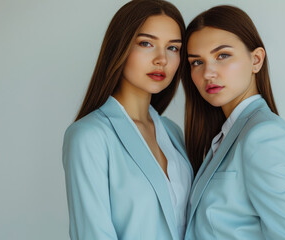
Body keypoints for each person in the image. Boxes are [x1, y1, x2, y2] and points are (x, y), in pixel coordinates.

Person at [62, 1, 193, 239]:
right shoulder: (89, 136)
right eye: (146, 43)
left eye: (173, 48)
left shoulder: (173, 133)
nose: (161, 58)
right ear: (119, 47)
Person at [182, 5, 285, 239]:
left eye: (222, 55)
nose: (208, 73)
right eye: (196, 62)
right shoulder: (229, 134)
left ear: (256, 60)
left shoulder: (263, 135)